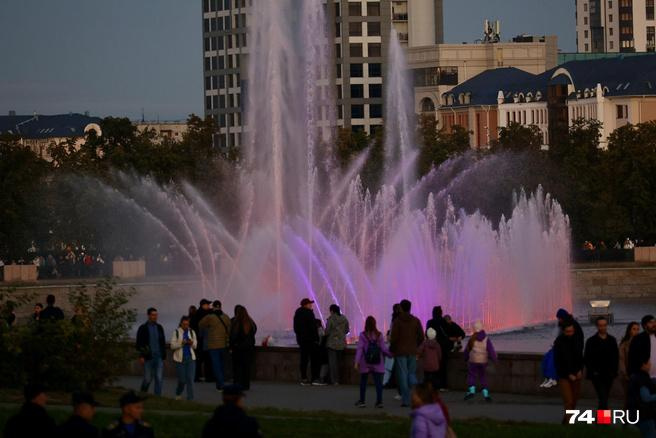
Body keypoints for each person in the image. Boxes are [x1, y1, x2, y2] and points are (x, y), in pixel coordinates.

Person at [390, 299, 424, 407]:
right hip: (412, 351)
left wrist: (392, 349)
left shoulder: (397, 321)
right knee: (411, 373)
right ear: (410, 308)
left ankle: (406, 400)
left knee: (403, 375)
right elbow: (421, 337)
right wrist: (415, 345)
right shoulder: (416, 321)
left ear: (401, 308)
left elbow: (394, 338)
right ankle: (415, 389)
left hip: (400, 352)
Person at [354, 316, 392, 408]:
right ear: (375, 324)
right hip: (377, 362)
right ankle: (379, 402)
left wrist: (356, 362)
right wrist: (391, 354)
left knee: (363, 382)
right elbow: (383, 349)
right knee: (378, 383)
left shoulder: (363, 335)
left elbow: (360, 349)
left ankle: (362, 401)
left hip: (365, 362)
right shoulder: (379, 335)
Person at [584, 316, 619, 409]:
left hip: (609, 374)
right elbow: (587, 358)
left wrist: (614, 371)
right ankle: (604, 417)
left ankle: (601, 416)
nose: (603, 327)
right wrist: (593, 371)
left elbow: (616, 357)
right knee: (603, 396)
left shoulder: (612, 340)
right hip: (597, 375)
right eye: (600, 325)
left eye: (604, 325)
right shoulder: (591, 341)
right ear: (597, 326)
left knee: (604, 397)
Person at [554, 319, 584, 424]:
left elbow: (580, 357)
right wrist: (568, 374)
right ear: (563, 331)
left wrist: (580, 370)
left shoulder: (577, 340)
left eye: (572, 331)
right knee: (569, 401)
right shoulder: (559, 342)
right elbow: (558, 361)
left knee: (573, 402)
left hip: (576, 374)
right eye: (568, 332)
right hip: (564, 376)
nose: (570, 334)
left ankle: (566, 422)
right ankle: (569, 424)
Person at [199, 300, 232, 391]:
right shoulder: (226, 317)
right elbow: (230, 330)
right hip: (224, 345)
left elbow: (200, 324)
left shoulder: (210, 317)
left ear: (213, 307)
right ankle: (220, 383)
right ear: (221, 307)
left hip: (213, 345)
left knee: (216, 365)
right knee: (222, 364)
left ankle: (221, 384)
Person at [136, 307, 166, 396]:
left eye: (156, 315)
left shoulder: (159, 327)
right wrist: (141, 356)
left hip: (158, 357)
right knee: (147, 379)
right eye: (153, 315)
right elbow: (139, 343)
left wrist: (163, 356)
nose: (155, 317)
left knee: (159, 378)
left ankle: (158, 397)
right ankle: (142, 393)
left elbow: (162, 342)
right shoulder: (143, 328)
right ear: (148, 315)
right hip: (148, 357)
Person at [464, 321, 497, 402]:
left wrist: (465, 358)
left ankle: (472, 391)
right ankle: (486, 395)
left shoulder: (472, 339)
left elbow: (467, 351)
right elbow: (491, 350)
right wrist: (494, 359)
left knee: (472, 375)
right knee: (482, 377)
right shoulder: (486, 339)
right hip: (483, 361)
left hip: (473, 360)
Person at [293, 298, 321, 385]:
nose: (311, 305)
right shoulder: (309, 313)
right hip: (311, 340)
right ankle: (315, 379)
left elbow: (296, 328)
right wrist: (316, 339)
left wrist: (300, 337)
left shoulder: (297, 314)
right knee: (314, 360)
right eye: (309, 304)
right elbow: (313, 327)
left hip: (302, 340)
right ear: (305, 305)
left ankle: (304, 378)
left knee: (304, 359)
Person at [230, 305, 257, 390]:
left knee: (237, 367)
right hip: (249, 348)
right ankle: (246, 385)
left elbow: (233, 336)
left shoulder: (236, 322)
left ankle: (237, 384)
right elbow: (254, 331)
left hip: (238, 348)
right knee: (246, 367)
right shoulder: (251, 322)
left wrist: (232, 345)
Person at [171, 315, 197, 401]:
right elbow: (172, 346)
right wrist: (182, 343)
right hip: (180, 359)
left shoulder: (192, 332)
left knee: (190, 380)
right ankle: (178, 393)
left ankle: (190, 399)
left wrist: (191, 343)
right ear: (181, 324)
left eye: (187, 324)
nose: (186, 326)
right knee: (182, 380)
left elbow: (195, 346)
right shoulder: (176, 332)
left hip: (191, 358)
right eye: (184, 324)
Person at [627, 358, 656, 437]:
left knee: (603, 401)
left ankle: (603, 423)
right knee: (603, 402)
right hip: (644, 414)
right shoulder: (642, 379)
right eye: (648, 363)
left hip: (637, 413)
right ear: (643, 365)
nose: (650, 365)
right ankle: (603, 422)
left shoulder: (635, 376)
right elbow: (646, 398)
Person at [325, 304, 350, 385]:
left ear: (332, 311)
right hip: (341, 344)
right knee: (339, 362)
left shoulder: (331, 319)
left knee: (332, 363)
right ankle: (340, 379)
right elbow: (347, 330)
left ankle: (334, 380)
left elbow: (327, 331)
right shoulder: (344, 318)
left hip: (332, 344)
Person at [425, 306, 450, 390]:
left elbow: (426, 334)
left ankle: (433, 385)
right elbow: (448, 333)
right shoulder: (444, 322)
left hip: (433, 347)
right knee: (443, 366)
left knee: (432, 367)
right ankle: (443, 385)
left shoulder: (430, 322)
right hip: (443, 347)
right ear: (441, 313)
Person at [191, 299, 213, 383]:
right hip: (203, 340)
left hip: (199, 341)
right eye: (207, 304)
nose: (209, 306)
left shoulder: (196, 314)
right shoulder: (206, 314)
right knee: (207, 360)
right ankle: (208, 377)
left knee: (199, 360)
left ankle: (197, 376)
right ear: (203, 305)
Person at [620, 321, 641, 405]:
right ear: (629, 330)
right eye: (634, 329)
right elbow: (621, 359)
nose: (636, 331)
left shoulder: (642, 342)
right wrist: (625, 373)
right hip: (628, 374)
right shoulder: (624, 344)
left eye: (638, 329)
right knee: (628, 398)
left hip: (639, 374)